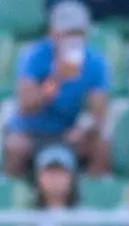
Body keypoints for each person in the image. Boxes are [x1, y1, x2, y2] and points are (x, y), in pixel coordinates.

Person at [4, 0, 111, 177]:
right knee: (16, 146)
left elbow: (98, 113)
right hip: (31, 132)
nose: (72, 39)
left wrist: (83, 128)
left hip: (68, 132)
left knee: (101, 146)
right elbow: (26, 106)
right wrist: (57, 78)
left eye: (77, 33)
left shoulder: (95, 63)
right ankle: (13, 190)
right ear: (53, 34)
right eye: (67, 33)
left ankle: (93, 191)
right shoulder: (34, 56)